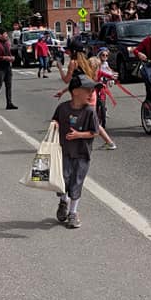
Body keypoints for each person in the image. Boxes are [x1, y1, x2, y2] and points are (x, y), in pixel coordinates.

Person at [52, 74, 99, 230]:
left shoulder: (90, 111)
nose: (92, 94)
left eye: (93, 91)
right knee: (62, 181)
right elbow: (55, 121)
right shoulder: (63, 108)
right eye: (89, 90)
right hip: (63, 151)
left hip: (82, 153)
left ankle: (73, 213)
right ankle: (63, 201)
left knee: (77, 182)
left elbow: (94, 132)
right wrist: (54, 125)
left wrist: (79, 135)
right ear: (76, 91)